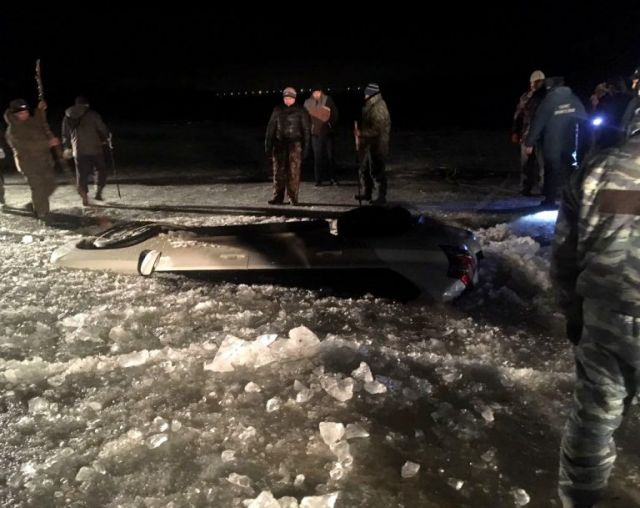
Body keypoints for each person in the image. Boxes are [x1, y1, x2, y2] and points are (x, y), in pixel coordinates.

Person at [551, 106, 640, 508]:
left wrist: (572, 309)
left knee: (594, 418)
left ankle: (578, 501)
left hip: (604, 315)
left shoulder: (597, 168)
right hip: (606, 310)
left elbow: (564, 254)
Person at [525, 77, 587, 206]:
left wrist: (529, 142)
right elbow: (584, 119)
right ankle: (570, 199)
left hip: (551, 142)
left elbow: (538, 122)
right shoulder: (573, 99)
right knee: (568, 170)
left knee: (551, 171)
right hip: (569, 143)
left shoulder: (549, 100)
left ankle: (550, 200)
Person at [4, 98, 58, 219]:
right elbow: (26, 146)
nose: (25, 115)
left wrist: (40, 110)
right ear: (15, 114)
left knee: (51, 185)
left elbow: (40, 121)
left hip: (44, 161)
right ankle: (42, 213)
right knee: (38, 187)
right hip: (28, 164)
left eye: (26, 112)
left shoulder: (30, 121)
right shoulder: (12, 130)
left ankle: (36, 204)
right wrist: (48, 143)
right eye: (21, 113)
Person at [264, 87, 311, 205]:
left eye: (290, 98)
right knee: (278, 172)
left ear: (294, 98)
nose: (288, 100)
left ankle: (293, 197)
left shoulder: (301, 110)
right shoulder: (277, 110)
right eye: (286, 98)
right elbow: (270, 129)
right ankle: (278, 197)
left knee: (294, 173)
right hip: (279, 145)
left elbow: (306, 130)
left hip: (295, 145)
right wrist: (268, 145)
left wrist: (306, 147)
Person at [61, 96, 111, 205]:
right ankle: (98, 192)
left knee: (81, 174)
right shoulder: (93, 114)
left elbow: (65, 134)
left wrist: (67, 147)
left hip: (78, 150)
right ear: (87, 105)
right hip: (95, 148)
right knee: (100, 169)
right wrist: (107, 137)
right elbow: (102, 128)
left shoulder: (67, 116)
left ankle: (84, 197)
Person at [354, 82, 390, 205]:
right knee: (364, 169)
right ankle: (367, 192)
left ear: (371, 94)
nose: (364, 96)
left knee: (377, 171)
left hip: (378, 144)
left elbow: (377, 129)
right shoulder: (371, 105)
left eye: (366, 93)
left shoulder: (379, 107)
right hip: (369, 144)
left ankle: (381, 197)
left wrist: (361, 133)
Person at [512, 70, 547, 196]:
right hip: (527, 134)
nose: (535, 84)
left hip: (543, 136)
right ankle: (525, 188)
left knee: (544, 165)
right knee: (526, 164)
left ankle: (545, 189)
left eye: (538, 82)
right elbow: (518, 115)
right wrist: (515, 131)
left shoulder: (547, 97)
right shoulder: (525, 97)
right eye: (533, 82)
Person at [303, 84, 339, 186]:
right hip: (316, 134)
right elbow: (305, 118)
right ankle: (318, 180)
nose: (316, 94)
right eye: (314, 92)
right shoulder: (307, 102)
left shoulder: (328, 100)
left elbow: (335, 114)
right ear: (312, 93)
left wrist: (330, 124)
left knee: (330, 156)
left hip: (328, 133)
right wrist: (310, 127)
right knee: (318, 157)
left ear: (321, 92)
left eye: (318, 92)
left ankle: (333, 178)